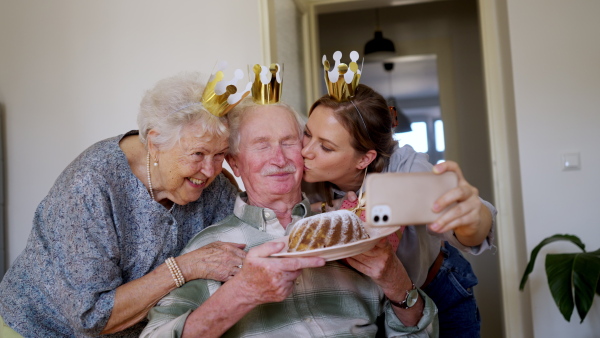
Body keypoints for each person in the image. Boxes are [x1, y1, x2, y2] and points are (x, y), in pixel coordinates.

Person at [140, 97, 439, 338]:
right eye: (261, 145)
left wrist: (397, 281)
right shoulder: (208, 251)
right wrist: (241, 294)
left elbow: (417, 333)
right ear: (235, 163)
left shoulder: (352, 229)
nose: (279, 159)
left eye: (288, 142)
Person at [0, 71, 250, 337]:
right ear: (154, 143)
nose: (210, 170)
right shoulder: (91, 185)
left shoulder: (213, 185)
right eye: (198, 154)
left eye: (220, 154)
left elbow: (243, 245)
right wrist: (185, 268)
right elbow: (93, 317)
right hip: (39, 329)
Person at [301, 52, 496, 338]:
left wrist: (471, 218)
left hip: (433, 290)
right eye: (307, 134)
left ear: (364, 159)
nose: (305, 151)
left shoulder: (406, 168)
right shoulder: (301, 170)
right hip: (359, 305)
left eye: (326, 147)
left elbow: (472, 227)